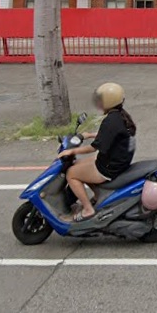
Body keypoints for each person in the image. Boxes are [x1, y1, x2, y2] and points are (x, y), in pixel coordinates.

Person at [59, 82, 136, 222]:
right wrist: (89, 134)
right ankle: (97, 195)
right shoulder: (119, 115)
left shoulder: (111, 121)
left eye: (101, 100)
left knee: (71, 174)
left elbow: (93, 148)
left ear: (109, 101)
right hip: (117, 160)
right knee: (78, 164)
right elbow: (112, 135)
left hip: (110, 167)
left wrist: (71, 151)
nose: (98, 103)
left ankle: (88, 209)